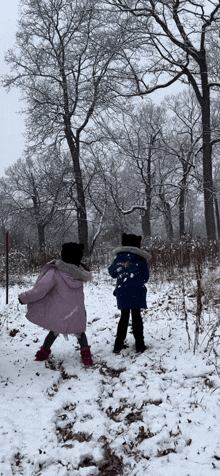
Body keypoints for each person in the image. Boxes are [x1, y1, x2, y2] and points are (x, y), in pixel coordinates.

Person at [18, 242, 93, 366]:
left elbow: (39, 290)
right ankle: (87, 357)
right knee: (80, 331)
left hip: (59, 312)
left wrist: (23, 298)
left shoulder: (55, 272)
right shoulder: (79, 275)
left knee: (54, 330)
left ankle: (43, 352)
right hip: (76, 310)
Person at [108, 233, 149, 354]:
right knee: (137, 316)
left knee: (124, 317)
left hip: (122, 290)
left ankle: (118, 344)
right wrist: (136, 279)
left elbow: (112, 273)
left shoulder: (118, 258)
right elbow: (145, 277)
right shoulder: (141, 259)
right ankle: (140, 345)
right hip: (137, 290)